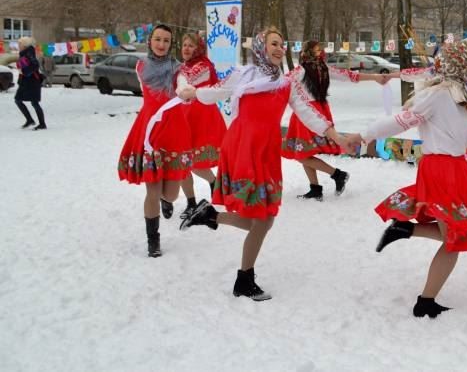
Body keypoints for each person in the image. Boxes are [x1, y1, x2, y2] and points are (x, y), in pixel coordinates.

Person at [349, 43, 467, 318]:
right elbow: (400, 120)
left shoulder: (465, 98)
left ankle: (407, 236)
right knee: (458, 236)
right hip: (444, 170)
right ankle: (425, 300)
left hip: (451, 169)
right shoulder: (437, 96)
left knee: (463, 232)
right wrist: (364, 135)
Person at [178, 28, 353, 301]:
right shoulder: (244, 75)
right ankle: (244, 280)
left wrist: (336, 136)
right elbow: (216, 92)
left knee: (264, 220)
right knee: (262, 219)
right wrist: (192, 91)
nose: (279, 48)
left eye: (282, 45)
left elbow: (308, 112)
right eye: (273, 43)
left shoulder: (286, 83)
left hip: (266, 151)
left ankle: (210, 217)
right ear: (260, 46)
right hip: (243, 146)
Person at [118, 24, 193, 258]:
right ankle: (153, 239)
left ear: (171, 44)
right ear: (150, 41)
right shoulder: (141, 66)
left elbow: (182, 85)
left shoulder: (178, 69)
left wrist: (184, 90)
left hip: (174, 131)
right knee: (151, 188)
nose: (161, 44)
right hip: (150, 131)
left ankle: (165, 199)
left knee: (170, 194)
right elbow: (146, 95)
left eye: (166, 41)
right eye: (158, 39)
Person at [282, 41, 388, 200]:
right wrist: (374, 77)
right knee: (304, 152)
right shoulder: (325, 69)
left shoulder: (301, 70)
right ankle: (315, 188)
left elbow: (283, 81)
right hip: (320, 110)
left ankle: (337, 175)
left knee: (302, 154)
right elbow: (350, 76)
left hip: (306, 112)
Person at [177, 33, 227, 219]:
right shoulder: (182, 68)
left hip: (201, 119)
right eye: (184, 44)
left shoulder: (203, 66)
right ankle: (191, 203)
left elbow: (185, 88)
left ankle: (214, 182)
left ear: (198, 48)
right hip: (184, 119)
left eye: (191, 45)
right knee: (182, 163)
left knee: (193, 162)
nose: (187, 48)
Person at [14, 37, 46, 130]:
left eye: (19, 44)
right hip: (25, 82)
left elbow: (35, 65)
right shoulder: (24, 53)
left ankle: (42, 124)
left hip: (32, 82)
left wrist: (25, 72)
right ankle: (30, 120)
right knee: (18, 100)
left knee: (34, 103)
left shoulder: (29, 53)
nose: (18, 46)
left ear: (24, 45)